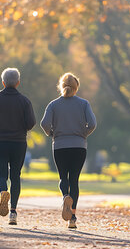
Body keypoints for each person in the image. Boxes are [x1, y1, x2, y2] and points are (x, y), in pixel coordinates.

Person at [40, 72, 96, 229]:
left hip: (60, 146)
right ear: (76, 87)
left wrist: (52, 133)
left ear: (60, 86)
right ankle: (72, 218)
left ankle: (65, 196)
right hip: (79, 146)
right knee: (74, 181)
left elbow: (44, 124)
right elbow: (92, 124)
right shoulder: (84, 104)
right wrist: (82, 134)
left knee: (63, 178)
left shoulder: (53, 105)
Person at [0, 67, 36, 225]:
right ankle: (13, 212)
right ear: (18, 82)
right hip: (18, 143)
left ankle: (3, 191)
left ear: (3, 82)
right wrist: (21, 129)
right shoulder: (24, 101)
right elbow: (31, 123)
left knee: (1, 174)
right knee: (16, 176)